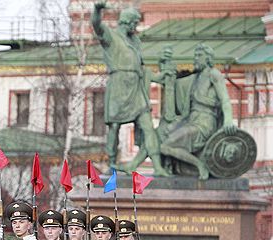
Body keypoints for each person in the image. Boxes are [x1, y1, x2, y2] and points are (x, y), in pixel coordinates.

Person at [91, 1, 169, 176]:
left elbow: (141, 69)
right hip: (119, 85)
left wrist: (158, 78)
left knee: (148, 125)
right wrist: (97, 9)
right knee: (115, 126)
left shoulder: (135, 42)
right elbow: (97, 25)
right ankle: (111, 163)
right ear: (127, 21)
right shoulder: (111, 37)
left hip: (136, 88)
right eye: (134, 22)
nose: (136, 26)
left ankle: (157, 166)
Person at [159, 43, 237, 179]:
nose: (195, 58)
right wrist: (166, 68)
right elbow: (174, 84)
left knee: (166, 146)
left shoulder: (214, 74)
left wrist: (229, 120)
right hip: (190, 120)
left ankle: (200, 166)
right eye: (195, 55)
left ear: (208, 58)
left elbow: (225, 99)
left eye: (199, 55)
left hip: (204, 123)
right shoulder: (195, 78)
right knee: (162, 133)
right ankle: (181, 166)